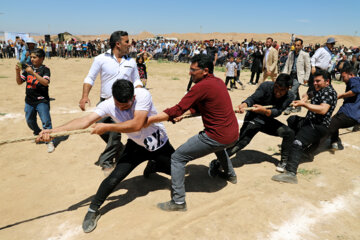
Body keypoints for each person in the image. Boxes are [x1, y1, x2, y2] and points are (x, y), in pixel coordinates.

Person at [37, 80, 174, 233]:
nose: (122, 109)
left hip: (159, 143)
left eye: (126, 106)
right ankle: (93, 209)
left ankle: (154, 164)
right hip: (136, 146)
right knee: (114, 177)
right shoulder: (108, 104)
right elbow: (85, 121)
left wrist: (107, 126)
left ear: (133, 98)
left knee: (177, 172)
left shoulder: (143, 95)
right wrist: (54, 132)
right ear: (113, 98)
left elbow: (137, 124)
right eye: (119, 106)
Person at [146, 54, 239, 211]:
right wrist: (185, 114)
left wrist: (149, 120)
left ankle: (178, 202)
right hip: (232, 135)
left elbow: (177, 108)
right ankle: (230, 175)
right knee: (219, 146)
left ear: (205, 71)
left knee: (177, 158)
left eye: (193, 70)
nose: (190, 73)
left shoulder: (201, 86)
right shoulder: (217, 82)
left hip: (217, 136)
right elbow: (199, 107)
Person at [79, 31, 142, 171]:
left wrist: (139, 91)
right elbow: (90, 78)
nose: (130, 44)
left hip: (122, 105)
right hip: (104, 102)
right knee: (99, 127)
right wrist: (84, 96)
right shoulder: (100, 59)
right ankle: (119, 148)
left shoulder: (131, 61)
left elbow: (136, 79)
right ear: (118, 44)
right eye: (127, 42)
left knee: (114, 133)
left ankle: (106, 161)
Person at [216, 74, 295, 173]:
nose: (278, 92)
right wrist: (244, 104)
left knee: (289, 133)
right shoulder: (266, 86)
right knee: (242, 142)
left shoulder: (290, 96)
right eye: (276, 88)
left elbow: (277, 112)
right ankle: (217, 162)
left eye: (282, 90)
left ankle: (284, 161)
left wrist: (264, 110)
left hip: (268, 120)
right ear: (274, 83)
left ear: (288, 88)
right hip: (254, 118)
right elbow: (252, 98)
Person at [272, 69, 337, 184]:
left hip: (317, 126)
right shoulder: (321, 89)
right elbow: (310, 94)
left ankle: (291, 173)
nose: (315, 83)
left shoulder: (328, 92)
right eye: (314, 81)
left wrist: (304, 104)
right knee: (292, 120)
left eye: (318, 81)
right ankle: (305, 152)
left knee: (297, 143)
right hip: (309, 121)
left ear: (327, 81)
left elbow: (323, 110)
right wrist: (304, 98)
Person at [15, 48, 55, 153]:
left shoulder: (45, 69)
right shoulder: (28, 69)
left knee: (46, 122)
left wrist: (32, 73)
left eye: (34, 57)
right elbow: (19, 82)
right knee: (30, 121)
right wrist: (17, 72)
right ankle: (37, 133)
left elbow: (45, 82)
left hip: (42, 100)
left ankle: (49, 141)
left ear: (41, 58)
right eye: (31, 57)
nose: (32, 59)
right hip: (29, 100)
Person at [328, 66, 360, 150]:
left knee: (327, 126)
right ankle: (334, 142)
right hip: (354, 117)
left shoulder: (354, 80)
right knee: (334, 121)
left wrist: (340, 96)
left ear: (351, 75)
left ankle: (308, 150)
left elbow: (355, 91)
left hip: (347, 114)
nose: (343, 79)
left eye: (344, 77)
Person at [282, 38, 311, 114]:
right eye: (295, 45)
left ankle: (289, 107)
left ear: (301, 46)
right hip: (291, 75)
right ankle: (298, 107)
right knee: (295, 91)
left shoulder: (305, 54)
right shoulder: (291, 54)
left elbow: (308, 67)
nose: (296, 46)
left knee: (292, 91)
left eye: (298, 45)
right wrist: (284, 74)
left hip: (299, 77)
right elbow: (287, 65)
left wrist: (306, 78)